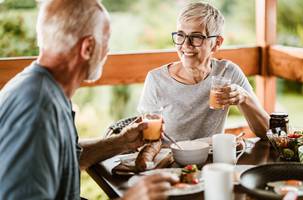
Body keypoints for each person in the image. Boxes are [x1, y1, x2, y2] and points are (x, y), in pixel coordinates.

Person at [0, 0, 177, 199]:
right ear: (88, 47)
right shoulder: (37, 108)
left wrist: (121, 142)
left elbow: (69, 160)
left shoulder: (49, 90)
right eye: (106, 40)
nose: (108, 51)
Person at [138, 2, 269, 141]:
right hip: (171, 160)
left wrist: (244, 98)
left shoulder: (228, 72)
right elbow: (146, 138)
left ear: (217, 43)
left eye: (196, 37)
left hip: (213, 160)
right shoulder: (156, 80)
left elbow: (266, 131)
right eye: (180, 35)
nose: (186, 45)